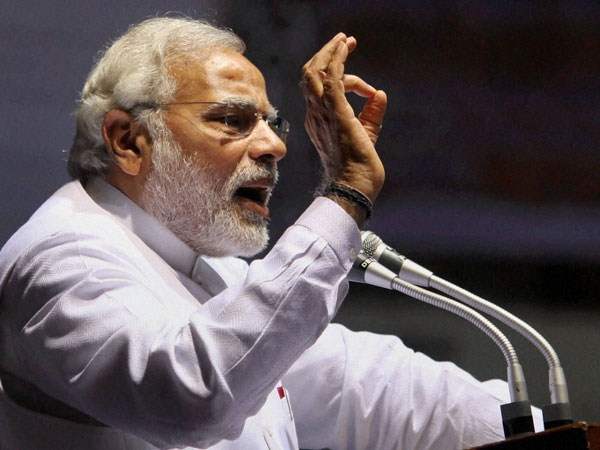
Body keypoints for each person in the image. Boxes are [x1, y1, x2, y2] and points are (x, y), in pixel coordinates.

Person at [0, 17, 523, 450]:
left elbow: (368, 388)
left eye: (271, 122)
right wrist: (345, 196)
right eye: (233, 120)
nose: (274, 145)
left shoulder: (207, 266)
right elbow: (193, 396)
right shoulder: (63, 259)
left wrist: (535, 427)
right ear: (128, 140)